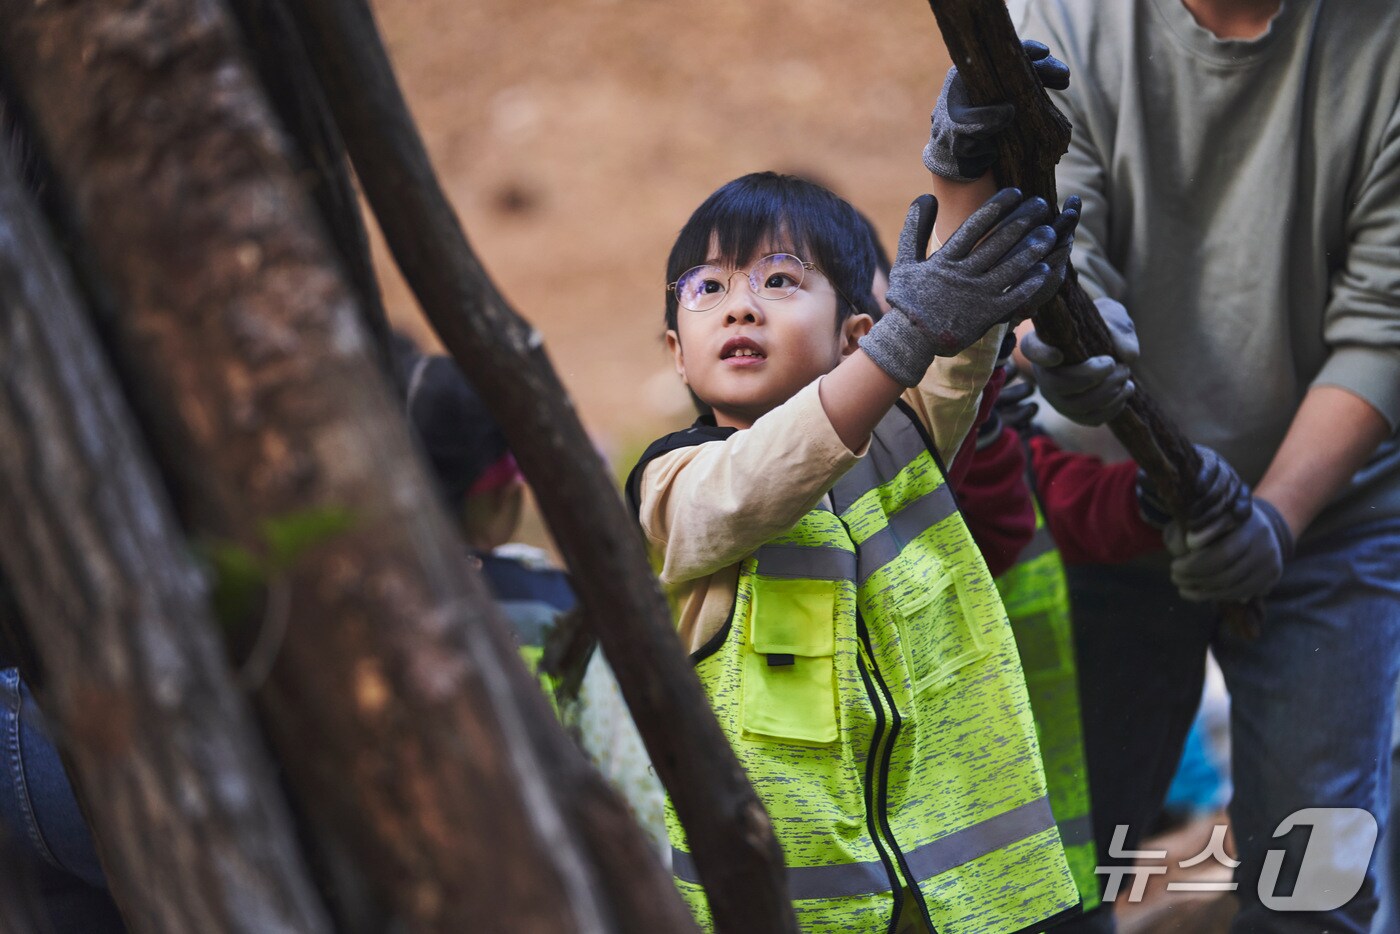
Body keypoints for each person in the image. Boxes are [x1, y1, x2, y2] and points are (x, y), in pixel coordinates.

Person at [996, 1, 1400, 930]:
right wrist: (1061, 336)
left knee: (1320, 890)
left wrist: (1277, 519)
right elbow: (1058, 245)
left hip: (1332, 523)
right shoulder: (1053, 13)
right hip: (1100, 504)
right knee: (1050, 884)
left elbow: (1382, 326)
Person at [625, 148, 1086, 929]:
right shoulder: (671, 488)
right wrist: (902, 347)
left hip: (950, 906)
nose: (741, 307)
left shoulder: (900, 438)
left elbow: (958, 327)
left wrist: (962, 150)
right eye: (708, 289)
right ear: (677, 353)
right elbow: (758, 481)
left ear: (853, 334)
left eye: (779, 279)